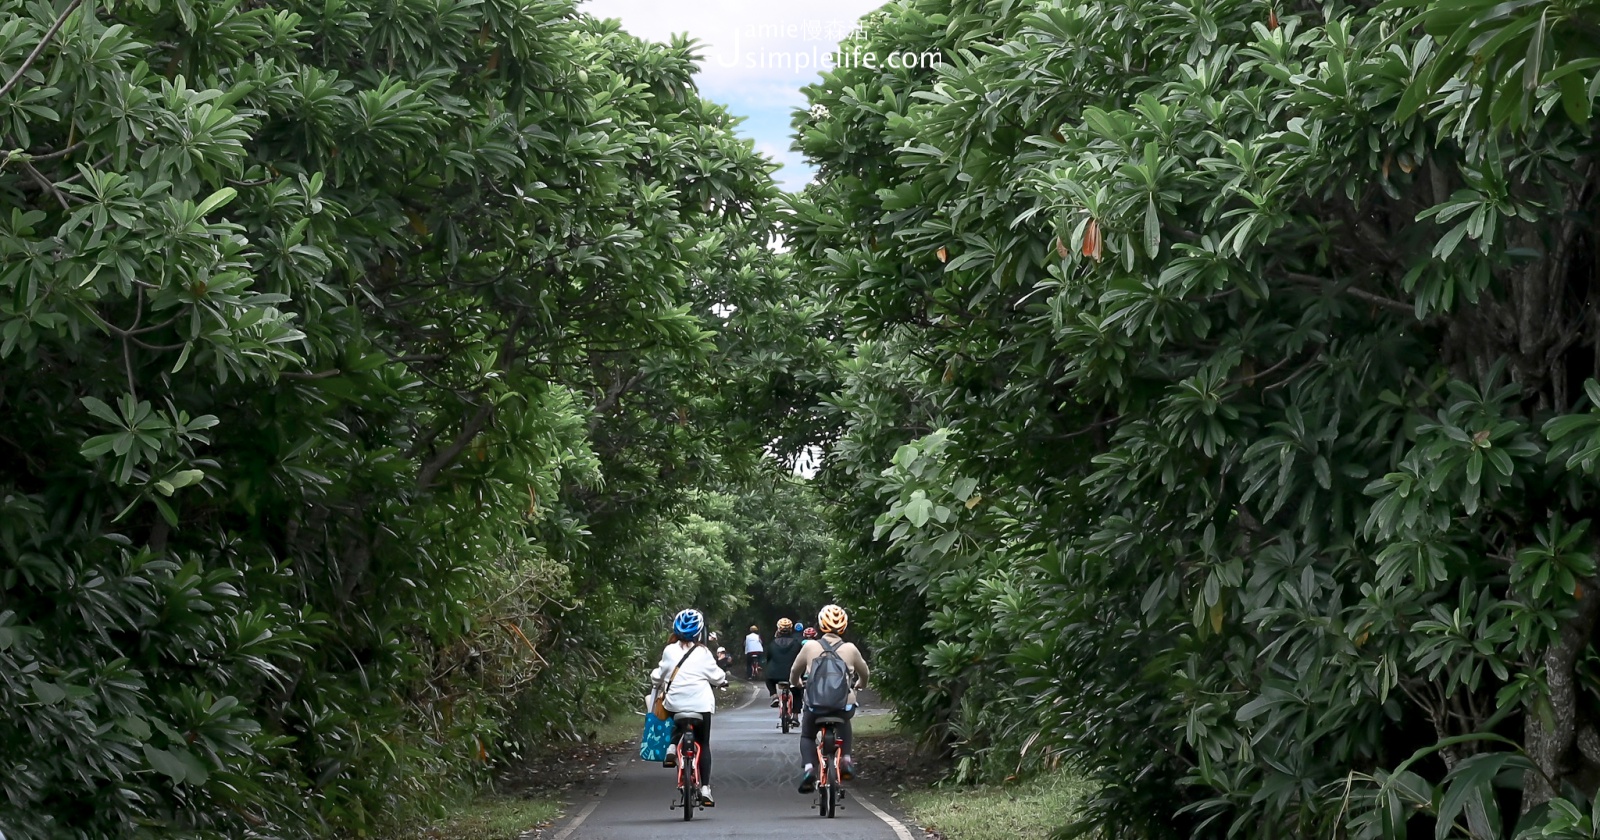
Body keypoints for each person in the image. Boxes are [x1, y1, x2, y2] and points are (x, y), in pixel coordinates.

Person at [651, 608, 728, 806]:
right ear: (699, 632)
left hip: (676, 704)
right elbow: (717, 676)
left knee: (674, 713)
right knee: (703, 744)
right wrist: (722, 681)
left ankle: (670, 746)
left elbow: (658, 675)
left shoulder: (669, 651)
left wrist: (655, 679)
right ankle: (706, 789)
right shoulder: (703, 652)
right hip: (701, 706)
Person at [791, 604, 869, 793]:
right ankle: (847, 760)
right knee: (845, 722)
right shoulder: (850, 648)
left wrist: (797, 684)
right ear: (844, 626)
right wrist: (861, 684)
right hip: (843, 703)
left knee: (808, 735)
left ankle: (810, 769)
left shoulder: (810, 646)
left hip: (815, 704)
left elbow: (795, 671)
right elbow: (865, 673)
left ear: (820, 624)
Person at [763, 618, 803, 707]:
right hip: (792, 675)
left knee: (768, 678)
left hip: (774, 676)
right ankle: (796, 716)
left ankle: (774, 696)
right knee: (797, 690)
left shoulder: (772, 644)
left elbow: (768, 658)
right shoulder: (797, 643)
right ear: (791, 629)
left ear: (778, 629)